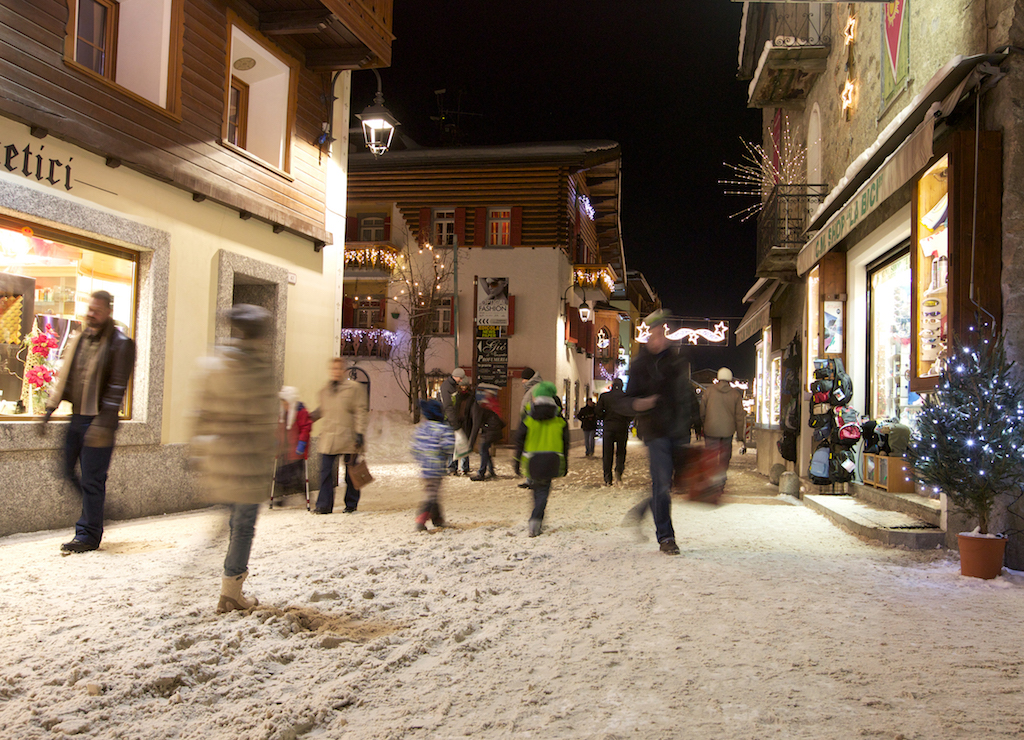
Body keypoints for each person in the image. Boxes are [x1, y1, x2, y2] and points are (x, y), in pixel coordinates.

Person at [189, 304, 277, 613]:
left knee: (231, 519)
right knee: (242, 525)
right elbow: (267, 419)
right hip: (249, 461)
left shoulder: (215, 362)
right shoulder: (260, 369)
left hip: (220, 454)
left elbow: (201, 410)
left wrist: (198, 449)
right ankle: (230, 592)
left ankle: (221, 577)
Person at [39, 290, 136, 554]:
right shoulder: (81, 338)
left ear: (108, 312)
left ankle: (88, 534)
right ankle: (100, 511)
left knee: (92, 479)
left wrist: (103, 424)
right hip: (77, 417)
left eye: (97, 310)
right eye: (89, 308)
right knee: (67, 470)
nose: (91, 314)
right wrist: (49, 409)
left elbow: (117, 387)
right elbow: (67, 377)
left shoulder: (121, 343)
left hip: (99, 420)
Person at [621, 310, 696, 555]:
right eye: (655, 331)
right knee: (662, 482)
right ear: (648, 333)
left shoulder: (676, 361)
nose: (659, 336)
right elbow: (627, 398)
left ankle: (644, 508)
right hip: (655, 431)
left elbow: (686, 395)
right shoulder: (640, 364)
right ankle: (666, 537)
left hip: (678, 430)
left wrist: (696, 424)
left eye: (663, 331)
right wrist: (638, 404)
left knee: (670, 483)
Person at [311, 357, 368, 514]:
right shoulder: (325, 391)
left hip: (349, 436)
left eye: (338, 369)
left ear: (343, 371)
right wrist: (307, 417)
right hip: (329, 438)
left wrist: (360, 433)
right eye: (333, 369)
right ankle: (324, 505)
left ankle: (351, 504)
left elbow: (361, 411)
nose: (335, 372)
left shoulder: (354, 389)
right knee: (325, 472)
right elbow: (322, 410)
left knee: (351, 474)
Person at [512, 381, 569, 537]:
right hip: (552, 460)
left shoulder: (528, 418)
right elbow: (565, 444)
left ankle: (536, 518)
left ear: (536, 398)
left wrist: (516, 461)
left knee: (538, 491)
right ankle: (536, 519)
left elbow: (519, 440)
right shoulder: (560, 420)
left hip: (532, 461)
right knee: (543, 491)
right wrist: (565, 464)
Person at [700, 367, 747, 496]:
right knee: (724, 458)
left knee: (711, 457)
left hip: (711, 430)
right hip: (727, 432)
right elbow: (739, 417)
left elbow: (702, 411)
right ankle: (720, 483)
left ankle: (710, 482)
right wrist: (741, 436)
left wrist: (704, 424)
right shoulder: (735, 395)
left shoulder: (709, 392)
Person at [411, 398, 455, 531]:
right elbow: (448, 446)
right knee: (432, 495)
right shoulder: (443, 429)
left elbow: (415, 448)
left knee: (433, 493)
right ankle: (421, 518)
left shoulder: (422, 428)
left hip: (425, 469)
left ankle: (438, 519)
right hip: (437, 468)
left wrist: (422, 459)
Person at [275, 386, 313, 494]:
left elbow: (306, 428)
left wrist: (302, 443)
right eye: (283, 403)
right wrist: (276, 440)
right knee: (286, 475)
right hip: (286, 451)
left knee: (291, 474)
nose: (284, 406)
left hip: (297, 451)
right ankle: (300, 492)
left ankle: (303, 493)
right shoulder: (283, 414)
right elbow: (280, 428)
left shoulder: (301, 412)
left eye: (286, 403)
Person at [596, 378, 633, 485]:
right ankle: (619, 471)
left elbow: (598, 411)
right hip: (622, 427)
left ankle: (608, 477)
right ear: (621, 386)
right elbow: (632, 412)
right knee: (621, 451)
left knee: (607, 453)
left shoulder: (605, 396)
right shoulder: (626, 397)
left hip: (608, 427)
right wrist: (626, 420)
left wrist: (605, 418)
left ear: (612, 385)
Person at [469, 383, 505, 480]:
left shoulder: (486, 403)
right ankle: (491, 471)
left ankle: (481, 473)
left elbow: (477, 424)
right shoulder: (490, 402)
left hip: (491, 430)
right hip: (492, 429)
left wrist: (470, 444)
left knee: (483, 449)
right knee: (484, 450)